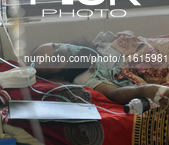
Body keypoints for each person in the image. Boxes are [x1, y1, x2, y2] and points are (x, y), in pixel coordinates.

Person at [31, 41, 169, 114]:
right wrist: (148, 89)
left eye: (57, 46)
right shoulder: (83, 78)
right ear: (59, 75)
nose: (64, 50)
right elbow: (114, 93)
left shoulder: (93, 48)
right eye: (57, 58)